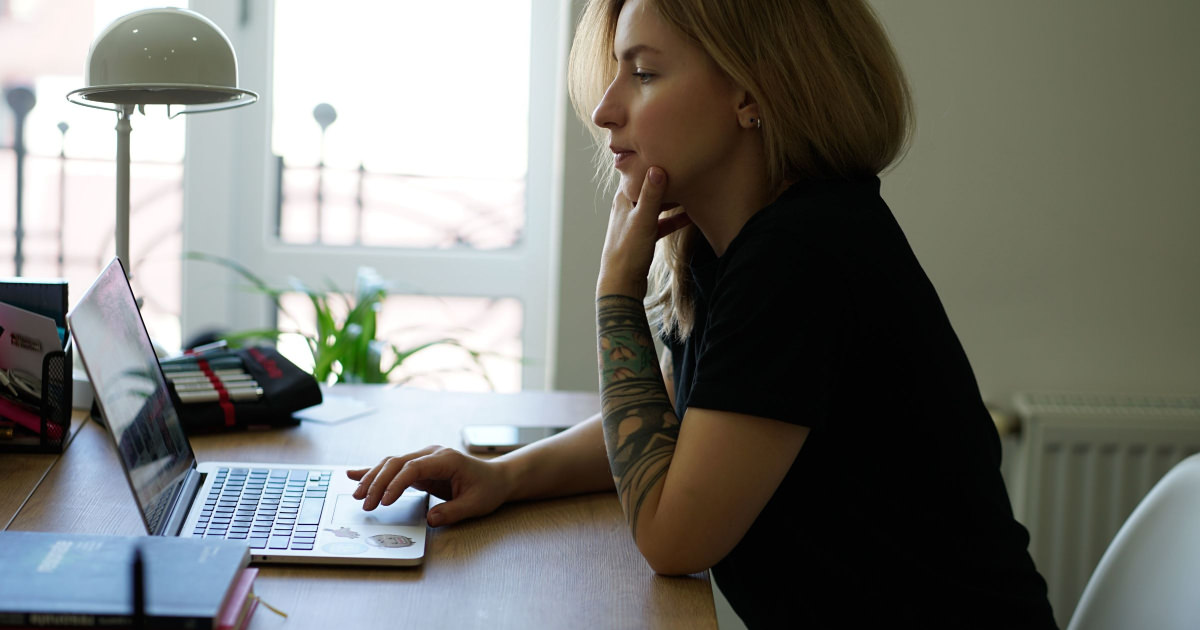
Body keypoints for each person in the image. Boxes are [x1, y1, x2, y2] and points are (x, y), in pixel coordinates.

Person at [349, 0, 1058, 627]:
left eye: (645, 73)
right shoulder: (743, 242)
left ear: (752, 93)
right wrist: (503, 475)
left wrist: (615, 296)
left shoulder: (803, 252)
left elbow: (671, 538)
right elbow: (680, 414)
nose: (605, 110)